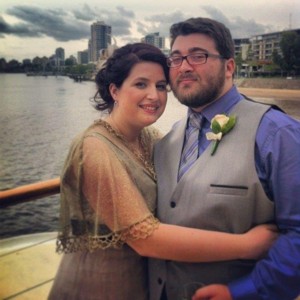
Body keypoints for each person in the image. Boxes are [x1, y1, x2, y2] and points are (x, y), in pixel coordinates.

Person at [48, 43, 277, 300]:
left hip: (144, 284)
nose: (154, 96)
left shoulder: (150, 138)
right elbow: (145, 238)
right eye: (141, 84)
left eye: (160, 86)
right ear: (115, 90)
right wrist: (247, 246)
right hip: (98, 286)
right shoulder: (94, 148)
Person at [148, 17, 300, 300]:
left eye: (198, 56)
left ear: (229, 66)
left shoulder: (278, 134)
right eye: (176, 58)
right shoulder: (167, 141)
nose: (184, 66)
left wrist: (242, 291)